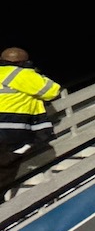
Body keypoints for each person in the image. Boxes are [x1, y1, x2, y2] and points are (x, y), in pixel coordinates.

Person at [0, 47, 63, 190]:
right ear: (24, 62)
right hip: (10, 131)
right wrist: (35, 73)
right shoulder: (22, 74)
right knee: (6, 167)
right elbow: (52, 91)